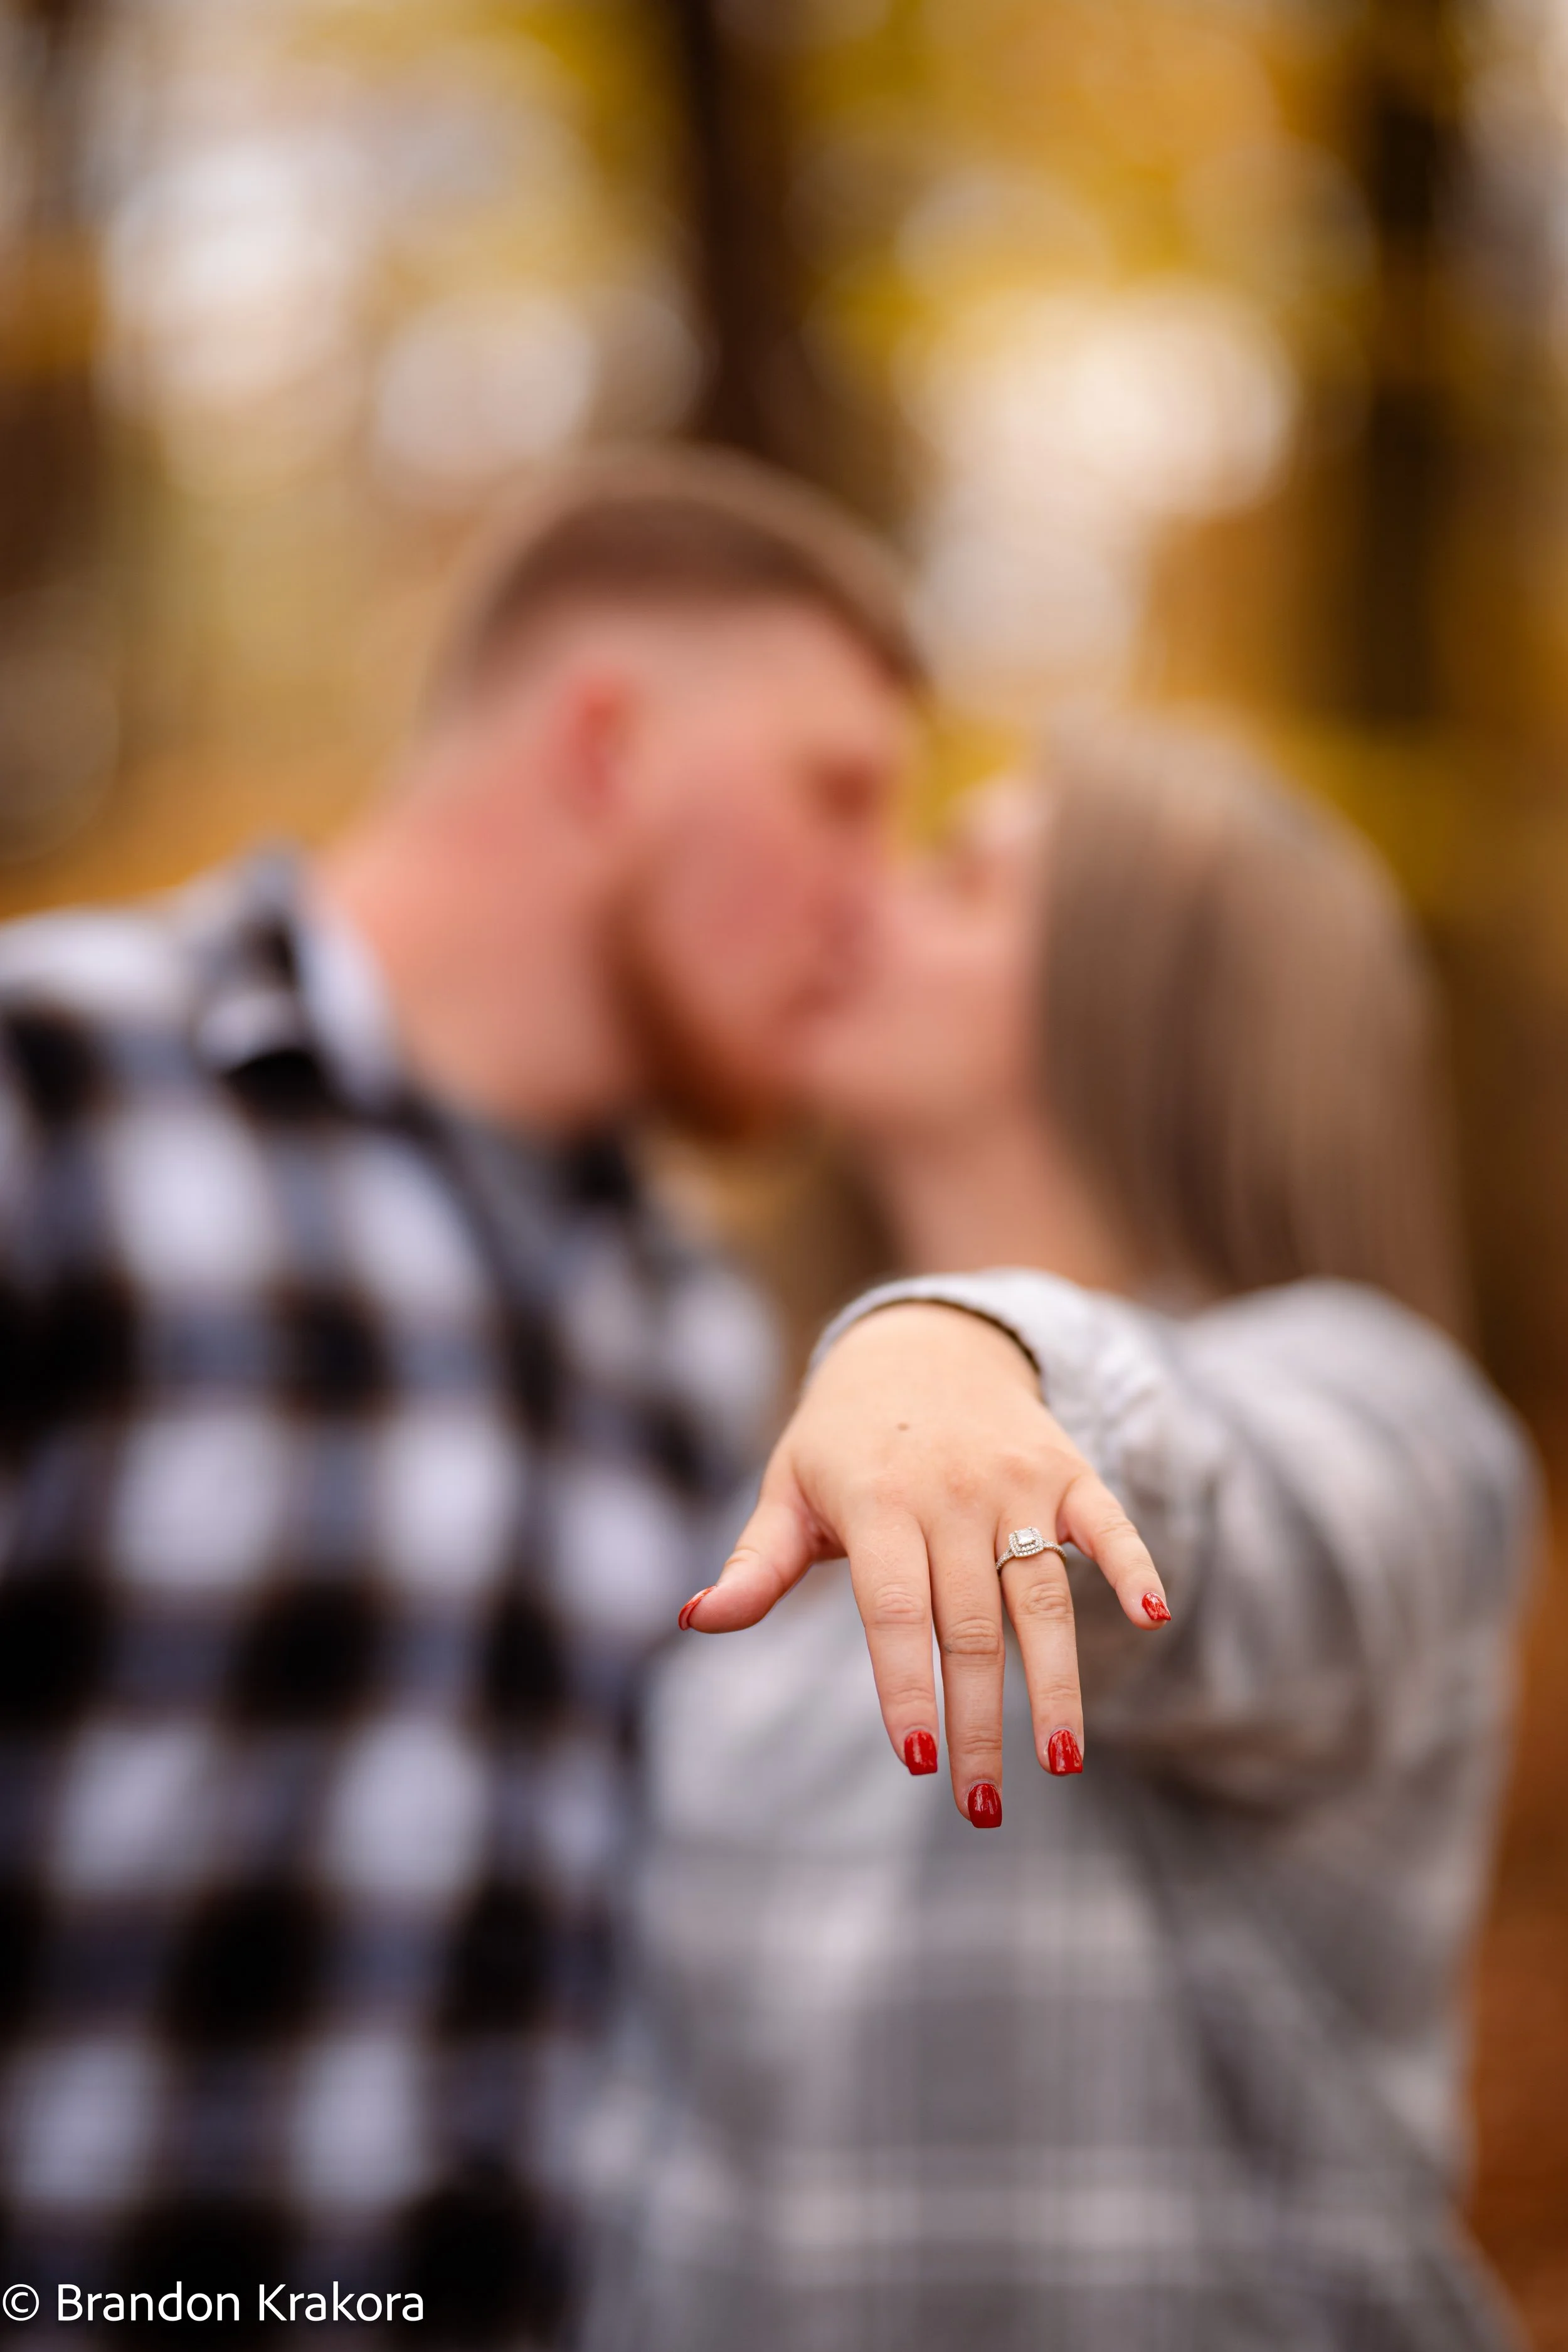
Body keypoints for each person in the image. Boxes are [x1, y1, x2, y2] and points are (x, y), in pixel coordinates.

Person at [0, 446, 926, 2344]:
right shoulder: (47, 1086)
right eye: (838, 797)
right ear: (604, 747)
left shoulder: (693, 1323)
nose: (874, 907)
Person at [581, 718, 1537, 2352]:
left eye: (960, 879)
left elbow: (1208, 1495)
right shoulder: (764, 1466)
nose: (864, 897)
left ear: (1155, 1005)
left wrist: (957, 1348)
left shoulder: (1391, 1421)